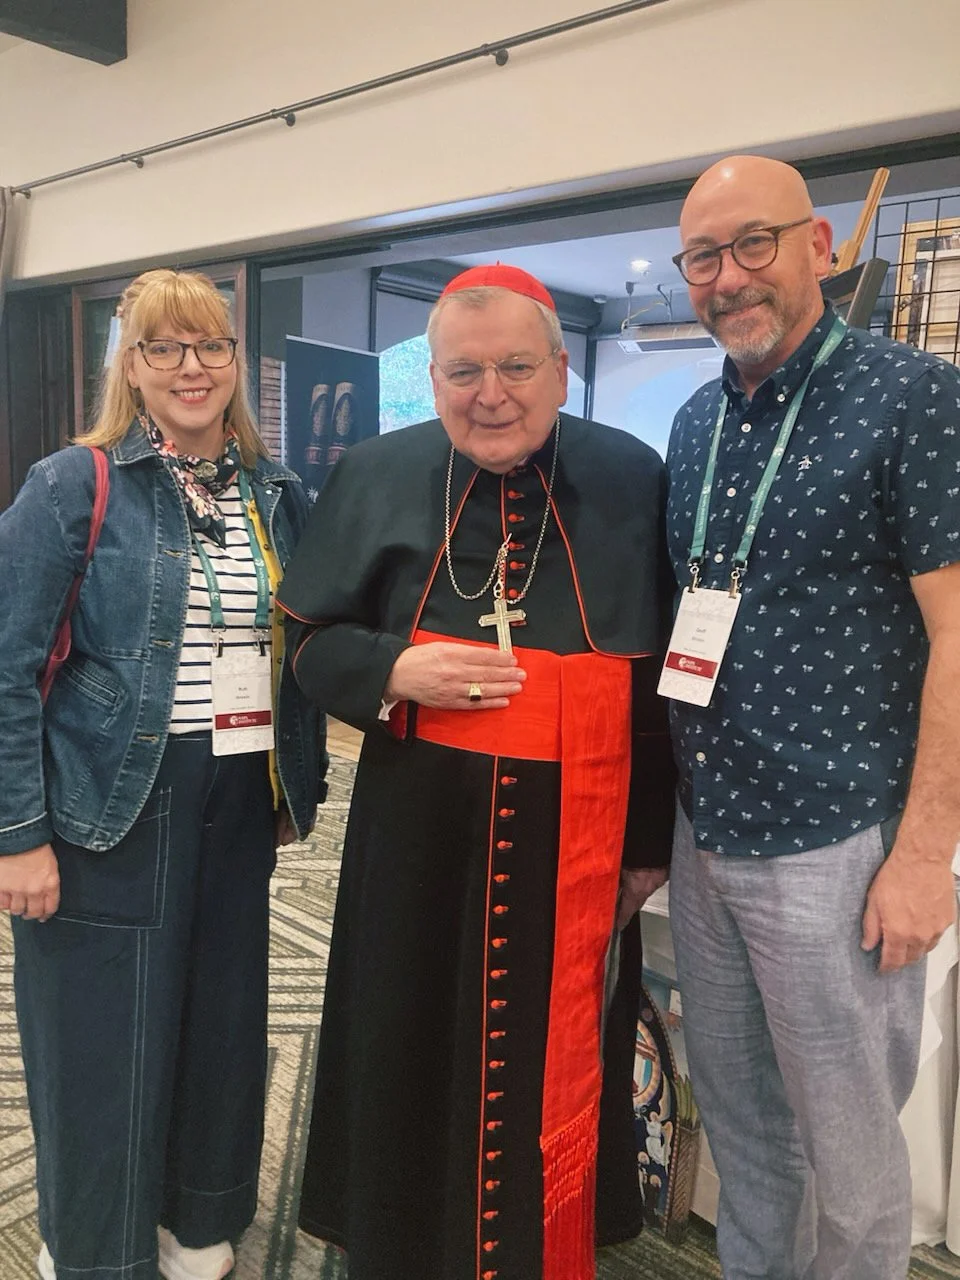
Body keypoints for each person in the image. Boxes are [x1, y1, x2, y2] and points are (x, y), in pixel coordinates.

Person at [277, 263, 677, 1280]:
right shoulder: (377, 469)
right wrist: (392, 666)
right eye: (463, 371)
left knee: (560, 1056)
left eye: (514, 367)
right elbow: (308, 644)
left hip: (575, 834)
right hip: (418, 829)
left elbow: (663, 682)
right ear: (434, 374)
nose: (488, 393)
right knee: (407, 1041)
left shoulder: (632, 474)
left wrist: (645, 845)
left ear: (558, 373)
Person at [664, 155, 960, 1280]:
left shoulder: (913, 396)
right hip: (709, 832)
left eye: (755, 243)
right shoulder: (697, 419)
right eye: (704, 255)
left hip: (836, 843)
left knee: (850, 1157)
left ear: (819, 245)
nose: (729, 275)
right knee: (745, 1135)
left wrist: (925, 853)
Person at [0, 269, 326, 1280]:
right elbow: (6, 665)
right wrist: (16, 832)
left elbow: (298, 650)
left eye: (211, 346)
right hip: (105, 796)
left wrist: (288, 781)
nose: (193, 367)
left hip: (235, 797)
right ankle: (94, 1244)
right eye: (164, 348)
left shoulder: (276, 493)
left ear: (237, 361)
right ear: (130, 368)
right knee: (101, 1042)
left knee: (219, 1021)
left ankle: (200, 1213)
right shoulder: (74, 484)